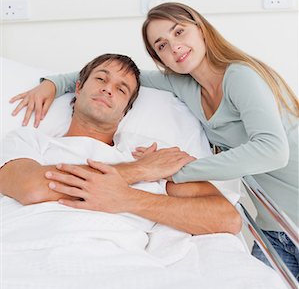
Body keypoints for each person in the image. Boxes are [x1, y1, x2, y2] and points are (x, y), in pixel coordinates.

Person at [9, 2, 299, 278]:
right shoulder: (181, 84)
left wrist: (173, 170)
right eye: (161, 45)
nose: (174, 46)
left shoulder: (239, 76)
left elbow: (273, 152)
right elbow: (111, 75)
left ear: (201, 28)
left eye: (179, 31)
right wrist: (52, 83)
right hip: (275, 225)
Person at [1, 53, 241, 237]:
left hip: (115, 262)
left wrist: (129, 199)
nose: (107, 89)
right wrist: (139, 171)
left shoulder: (146, 152)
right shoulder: (27, 141)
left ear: (126, 109)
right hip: (27, 247)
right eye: (100, 79)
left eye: (121, 89)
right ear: (78, 87)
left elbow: (227, 219)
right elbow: (32, 188)